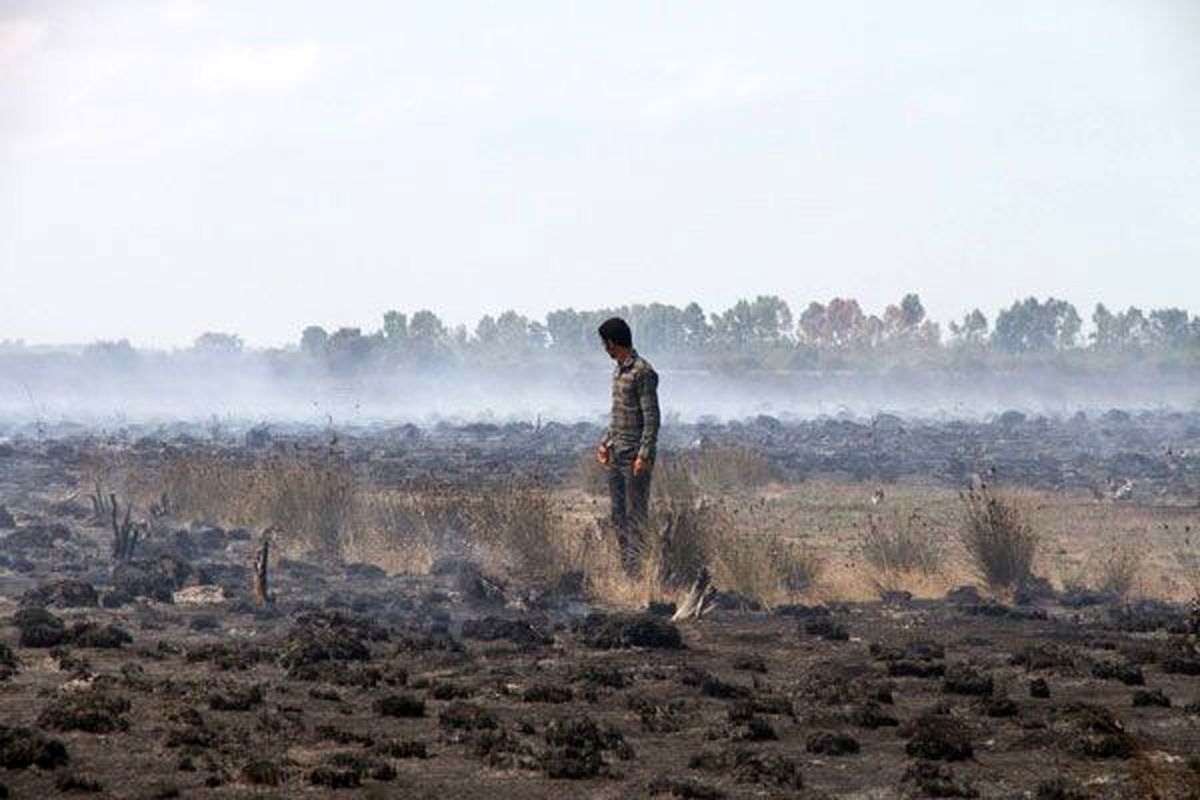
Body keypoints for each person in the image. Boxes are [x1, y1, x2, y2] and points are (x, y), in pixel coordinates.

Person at [594, 317, 660, 575]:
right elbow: (620, 414)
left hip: (634, 457)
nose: (604, 349)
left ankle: (637, 574)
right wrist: (606, 443)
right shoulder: (618, 370)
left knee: (636, 517)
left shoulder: (643, 372)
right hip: (616, 455)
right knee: (618, 515)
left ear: (612, 342)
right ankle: (627, 569)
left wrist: (644, 455)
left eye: (604, 343)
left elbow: (652, 418)